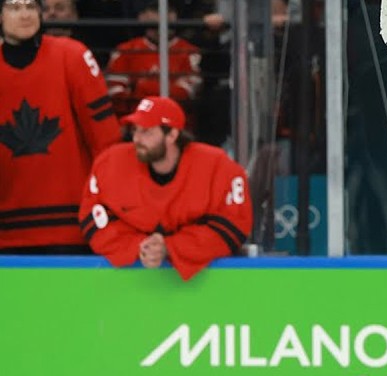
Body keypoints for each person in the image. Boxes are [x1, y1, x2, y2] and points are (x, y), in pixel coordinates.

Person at [80, 95, 250, 279]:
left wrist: (172, 247)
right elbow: (93, 216)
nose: (136, 138)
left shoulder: (217, 167)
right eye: (135, 130)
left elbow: (234, 225)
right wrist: (139, 246)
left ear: (172, 135)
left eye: (147, 132)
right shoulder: (110, 163)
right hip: (130, 283)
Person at [1, 0, 119, 253]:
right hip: (7, 230)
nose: (25, 15)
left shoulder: (72, 55)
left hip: (73, 226)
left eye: (31, 7)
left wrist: (109, 204)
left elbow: (105, 139)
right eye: (14, 8)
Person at [104, 1, 202, 119]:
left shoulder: (189, 51)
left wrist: (140, 88)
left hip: (178, 126)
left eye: (170, 10)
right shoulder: (125, 50)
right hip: (134, 124)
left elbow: (186, 94)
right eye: (156, 10)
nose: (163, 14)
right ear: (142, 16)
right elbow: (116, 94)